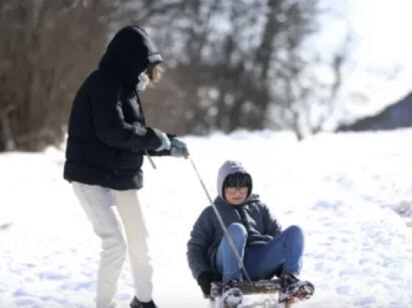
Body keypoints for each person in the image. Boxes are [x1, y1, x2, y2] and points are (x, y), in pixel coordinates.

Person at [64, 25, 189, 308]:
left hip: (119, 175)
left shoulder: (127, 90)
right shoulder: (102, 83)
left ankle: (143, 301)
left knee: (139, 242)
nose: (148, 76)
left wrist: (168, 144)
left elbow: (132, 137)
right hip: (90, 176)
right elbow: (112, 131)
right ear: (132, 61)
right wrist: (156, 139)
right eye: (146, 69)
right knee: (115, 244)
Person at [186, 160, 314, 306]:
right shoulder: (211, 213)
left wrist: (281, 266)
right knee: (237, 229)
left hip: (258, 261)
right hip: (226, 263)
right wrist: (203, 274)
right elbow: (195, 247)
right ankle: (231, 284)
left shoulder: (261, 208)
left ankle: (290, 281)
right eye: (231, 189)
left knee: (295, 232)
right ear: (221, 188)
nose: (237, 194)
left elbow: (280, 240)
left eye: (242, 189)